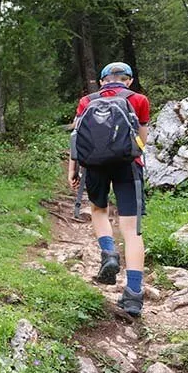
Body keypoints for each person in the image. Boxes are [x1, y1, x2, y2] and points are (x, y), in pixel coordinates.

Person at [67, 62, 150, 317]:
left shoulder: (86, 101)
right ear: (129, 80)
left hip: (94, 167)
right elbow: (142, 141)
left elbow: (76, 136)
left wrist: (73, 170)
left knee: (98, 210)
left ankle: (109, 252)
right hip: (128, 167)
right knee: (131, 230)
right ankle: (134, 295)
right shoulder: (138, 100)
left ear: (102, 81)